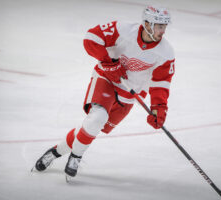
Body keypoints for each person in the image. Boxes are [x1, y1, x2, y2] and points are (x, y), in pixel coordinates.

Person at [33, 5, 175, 178]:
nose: (163, 31)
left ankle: (55, 152)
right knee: (98, 117)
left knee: (93, 126)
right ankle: (76, 156)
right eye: (159, 26)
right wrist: (109, 63)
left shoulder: (166, 53)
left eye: (164, 26)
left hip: (130, 94)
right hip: (106, 79)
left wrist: (158, 108)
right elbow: (91, 38)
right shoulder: (123, 29)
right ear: (147, 24)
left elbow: (161, 83)